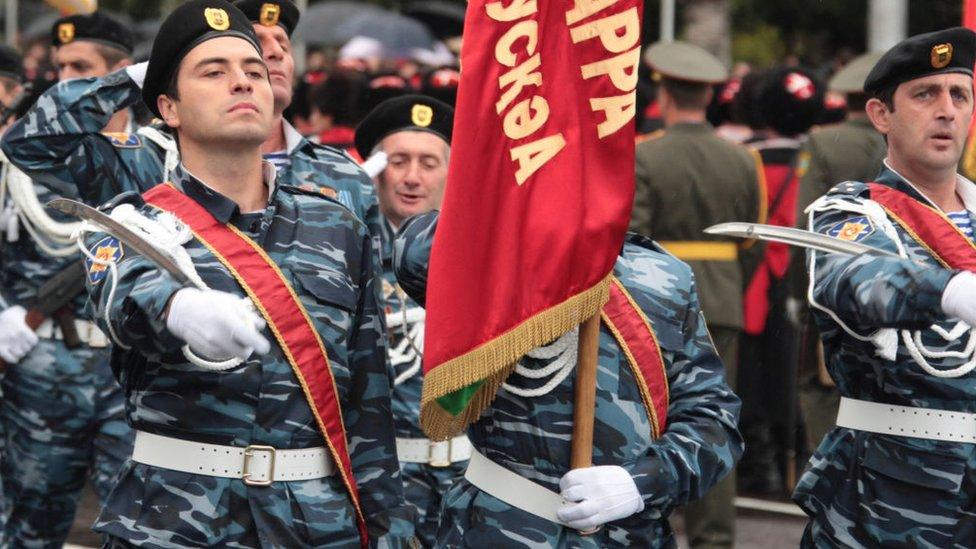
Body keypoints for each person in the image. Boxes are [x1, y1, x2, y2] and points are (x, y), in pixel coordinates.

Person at [80, 2, 413, 545]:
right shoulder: (134, 223)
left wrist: (386, 524)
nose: (242, 82)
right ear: (169, 107)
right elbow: (122, 295)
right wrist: (178, 309)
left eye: (253, 71)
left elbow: (368, 397)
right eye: (214, 72)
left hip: (316, 524)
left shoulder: (339, 224)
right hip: (177, 520)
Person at [393, 207, 742, 547]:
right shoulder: (493, 255)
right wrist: (518, 204)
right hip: (501, 527)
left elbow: (713, 421)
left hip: (632, 533)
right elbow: (414, 256)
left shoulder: (662, 275)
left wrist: (640, 483)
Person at [794, 27, 976, 547]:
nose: (946, 110)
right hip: (888, 495)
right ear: (880, 116)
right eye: (925, 94)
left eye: (958, 95)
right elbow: (856, 280)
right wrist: (950, 291)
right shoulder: (851, 214)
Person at [2, 0, 379, 239]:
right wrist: (137, 79)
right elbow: (31, 145)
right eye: (256, 43)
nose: (274, 54)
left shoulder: (345, 174)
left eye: (282, 43)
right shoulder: (147, 159)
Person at [0, 15, 136, 547]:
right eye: (59, 68)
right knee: (30, 525)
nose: (64, 80)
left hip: (131, 374)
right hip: (40, 368)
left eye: (81, 68)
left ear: (118, 76)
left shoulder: (161, 161)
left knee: (138, 526)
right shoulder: (19, 164)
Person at [631, 40, 765, 549]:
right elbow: (750, 242)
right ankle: (714, 537)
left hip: (654, 305)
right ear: (709, 97)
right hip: (723, 297)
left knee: (646, 418)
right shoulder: (741, 159)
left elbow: (634, 240)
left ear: (662, 94)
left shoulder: (647, 154)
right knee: (714, 420)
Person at [355, 95, 461, 547]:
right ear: (377, 170)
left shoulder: (482, 261)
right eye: (398, 161)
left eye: (429, 162)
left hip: (469, 482)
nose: (413, 177)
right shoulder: (343, 255)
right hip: (383, 487)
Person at [792, 52, 886, 453]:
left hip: (836, 283)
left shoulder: (823, 140)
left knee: (820, 385)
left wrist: (801, 292)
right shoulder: (899, 140)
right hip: (896, 286)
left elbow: (806, 222)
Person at [738, 66, 824, 496]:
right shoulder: (814, 157)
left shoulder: (744, 155)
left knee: (750, 377)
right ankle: (793, 460)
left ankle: (759, 463)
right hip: (794, 279)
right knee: (791, 374)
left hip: (753, 282)